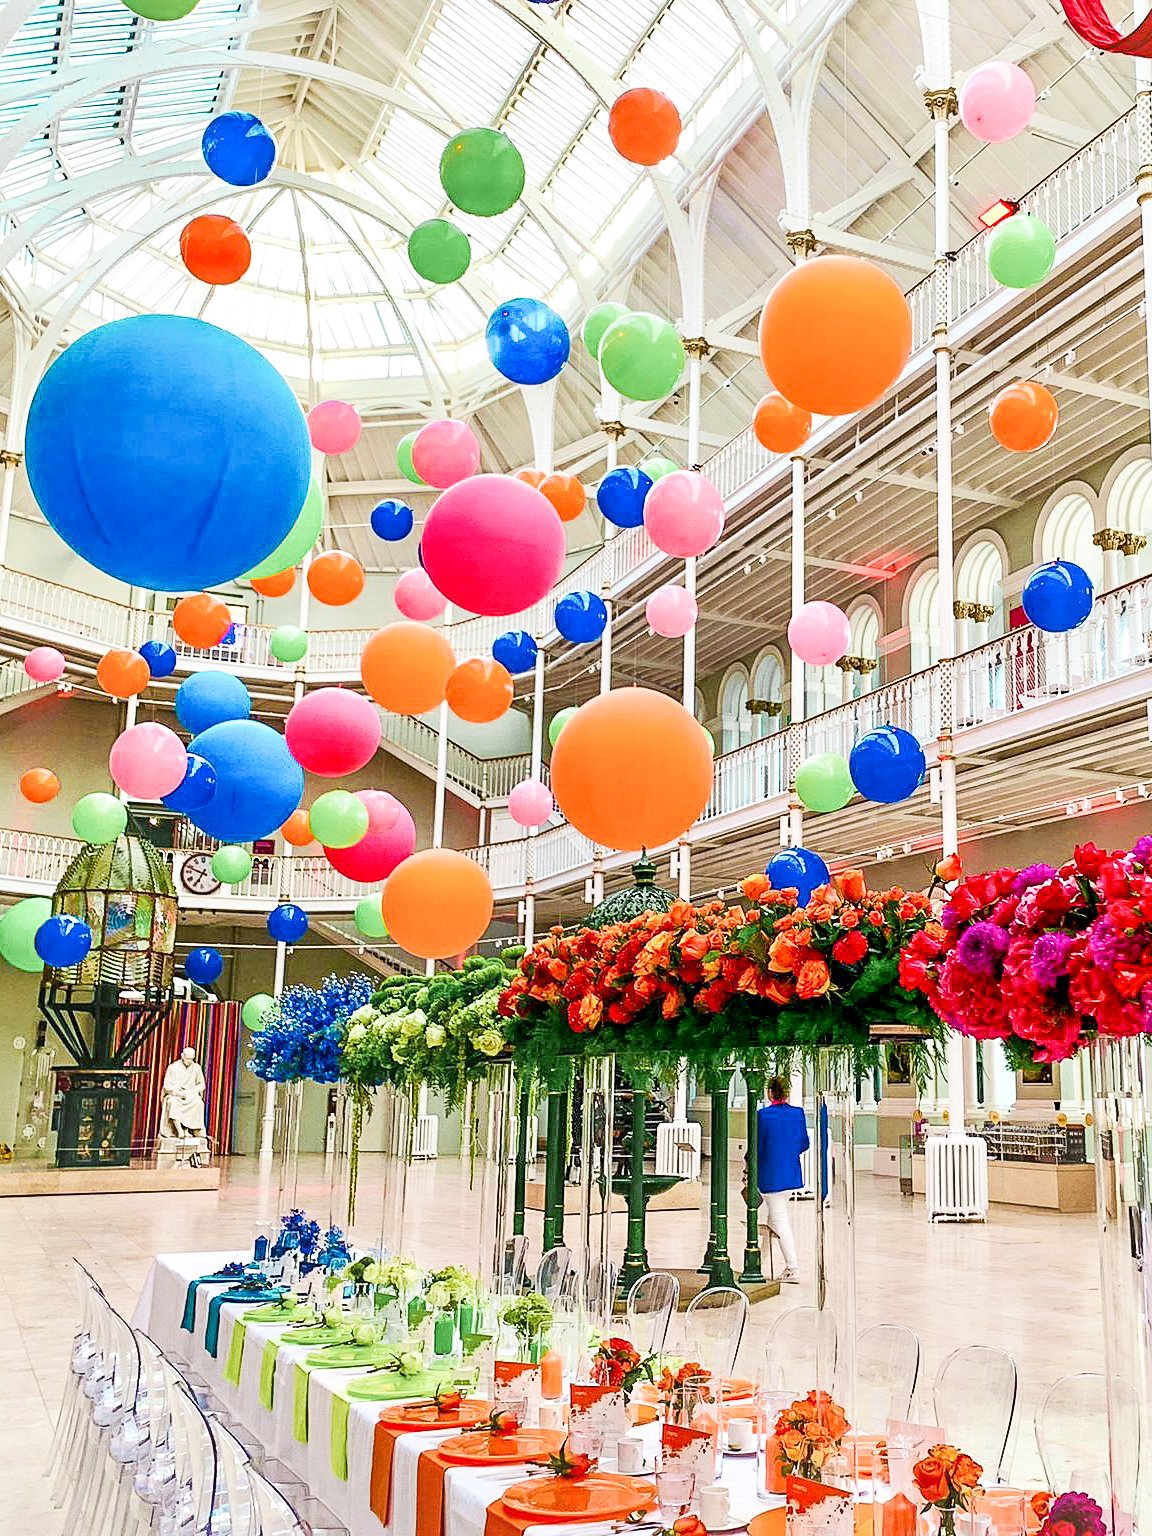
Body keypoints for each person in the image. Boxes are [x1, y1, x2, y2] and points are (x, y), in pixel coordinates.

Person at [756, 1075, 809, 1283]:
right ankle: (759, 1264)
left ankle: (792, 1267)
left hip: (770, 1175)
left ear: (770, 1092)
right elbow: (804, 1143)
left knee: (779, 1221)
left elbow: (757, 1147)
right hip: (791, 1175)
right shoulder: (798, 1113)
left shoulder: (763, 1116)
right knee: (773, 1220)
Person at [160, 1046, 207, 1139]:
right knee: (173, 1102)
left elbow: (202, 1085)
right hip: (176, 1095)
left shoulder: (196, 1068)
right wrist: (177, 1092)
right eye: (187, 1058)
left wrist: (192, 1092)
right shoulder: (173, 1067)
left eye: (191, 1059)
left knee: (199, 1103)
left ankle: (189, 1129)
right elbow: (166, 1085)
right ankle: (179, 1130)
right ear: (182, 1056)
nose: (189, 1061)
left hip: (190, 1096)